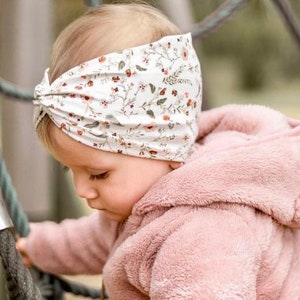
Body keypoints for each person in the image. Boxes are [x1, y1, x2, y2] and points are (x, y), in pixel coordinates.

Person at [16, 2, 300, 299]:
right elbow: (91, 240)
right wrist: (35, 245)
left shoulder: (203, 232)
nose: (81, 190)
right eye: (69, 169)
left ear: (163, 149)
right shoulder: (142, 197)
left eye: (98, 174)